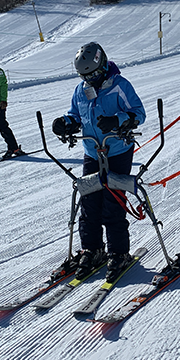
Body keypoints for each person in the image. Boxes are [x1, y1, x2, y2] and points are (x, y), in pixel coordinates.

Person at [51, 42, 145, 273]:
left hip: (118, 151)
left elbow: (139, 113)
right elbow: (76, 114)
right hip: (92, 151)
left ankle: (119, 252)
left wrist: (118, 120)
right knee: (89, 202)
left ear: (102, 65)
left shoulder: (120, 86)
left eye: (93, 74)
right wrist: (66, 123)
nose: (89, 79)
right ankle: (92, 250)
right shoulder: (80, 90)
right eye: (85, 76)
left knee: (113, 203)